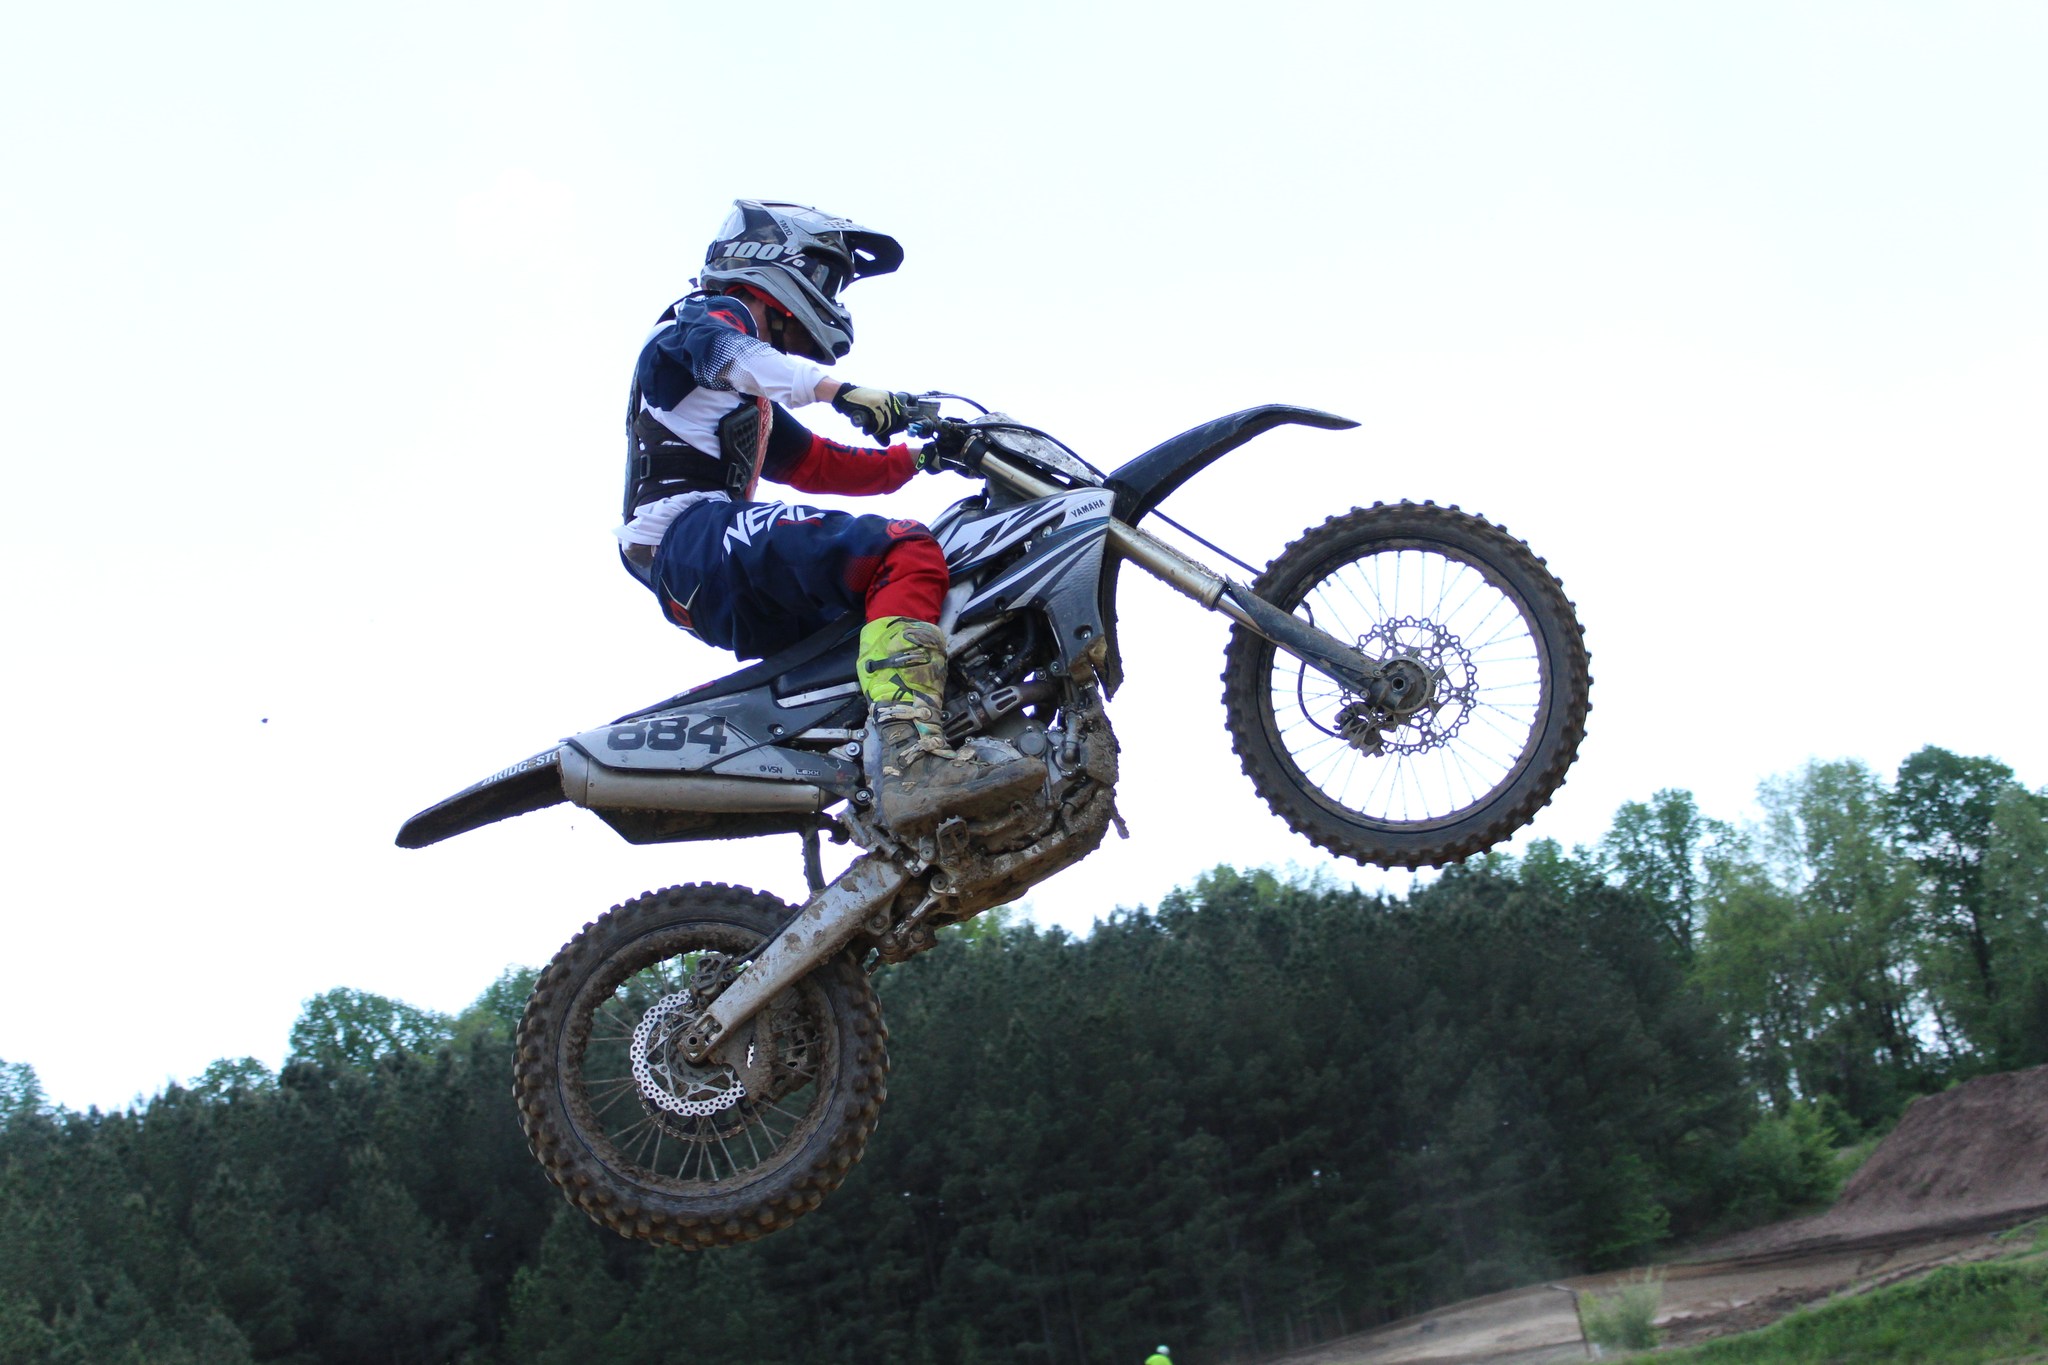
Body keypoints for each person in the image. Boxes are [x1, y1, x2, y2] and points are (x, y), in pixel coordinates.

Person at [617, 199, 1038, 832]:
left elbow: (816, 463)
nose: (831, 296)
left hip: (698, 565)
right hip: (688, 539)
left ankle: (885, 780)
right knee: (904, 551)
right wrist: (840, 391)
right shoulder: (705, 319)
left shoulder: (739, 389)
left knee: (886, 610)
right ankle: (910, 760)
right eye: (827, 277)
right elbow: (732, 356)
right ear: (774, 260)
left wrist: (920, 460)